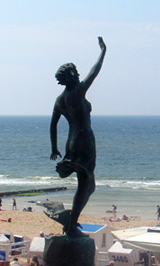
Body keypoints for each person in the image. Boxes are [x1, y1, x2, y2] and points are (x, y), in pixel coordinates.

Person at [49, 37, 106, 237]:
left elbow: (53, 124)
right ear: (71, 76)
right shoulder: (78, 91)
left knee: (88, 184)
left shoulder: (60, 100)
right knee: (87, 184)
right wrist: (103, 51)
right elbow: (95, 71)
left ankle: (72, 221)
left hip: (71, 144)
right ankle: (72, 222)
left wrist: (54, 148)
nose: (79, 74)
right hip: (85, 141)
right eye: (75, 72)